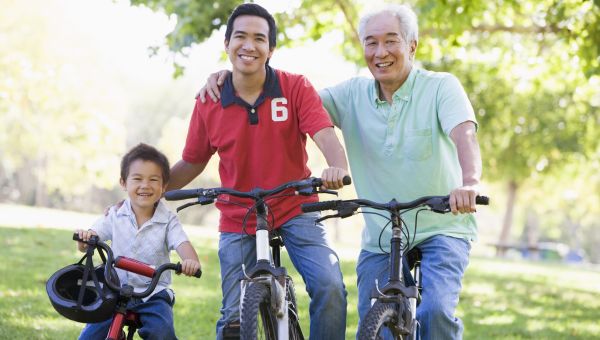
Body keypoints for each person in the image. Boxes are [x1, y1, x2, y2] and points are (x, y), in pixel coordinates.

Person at [198, 4, 482, 340]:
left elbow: (464, 135)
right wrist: (230, 79)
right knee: (373, 322)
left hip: (442, 225)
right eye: (371, 43)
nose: (380, 52)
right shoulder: (351, 94)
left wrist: (469, 184)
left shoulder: (441, 87)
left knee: (434, 311)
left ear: (412, 46)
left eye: (391, 41)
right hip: (381, 232)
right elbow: (290, 104)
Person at [167, 3, 349, 339]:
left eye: (259, 39)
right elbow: (193, 160)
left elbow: (324, 133)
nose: (248, 45)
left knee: (330, 286)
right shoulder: (209, 100)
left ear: (271, 49)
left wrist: (337, 166)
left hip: (296, 207)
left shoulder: (295, 87)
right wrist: (152, 189)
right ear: (227, 44)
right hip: (239, 215)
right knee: (232, 318)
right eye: (240, 37)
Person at [76, 143, 201, 340]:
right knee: (90, 336)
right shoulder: (115, 214)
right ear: (124, 183)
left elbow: (182, 243)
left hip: (153, 294)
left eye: (153, 179)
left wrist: (190, 261)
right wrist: (85, 238)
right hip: (113, 289)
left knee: (162, 332)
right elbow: (93, 235)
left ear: (164, 186)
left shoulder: (168, 220)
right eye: (137, 179)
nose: (145, 185)